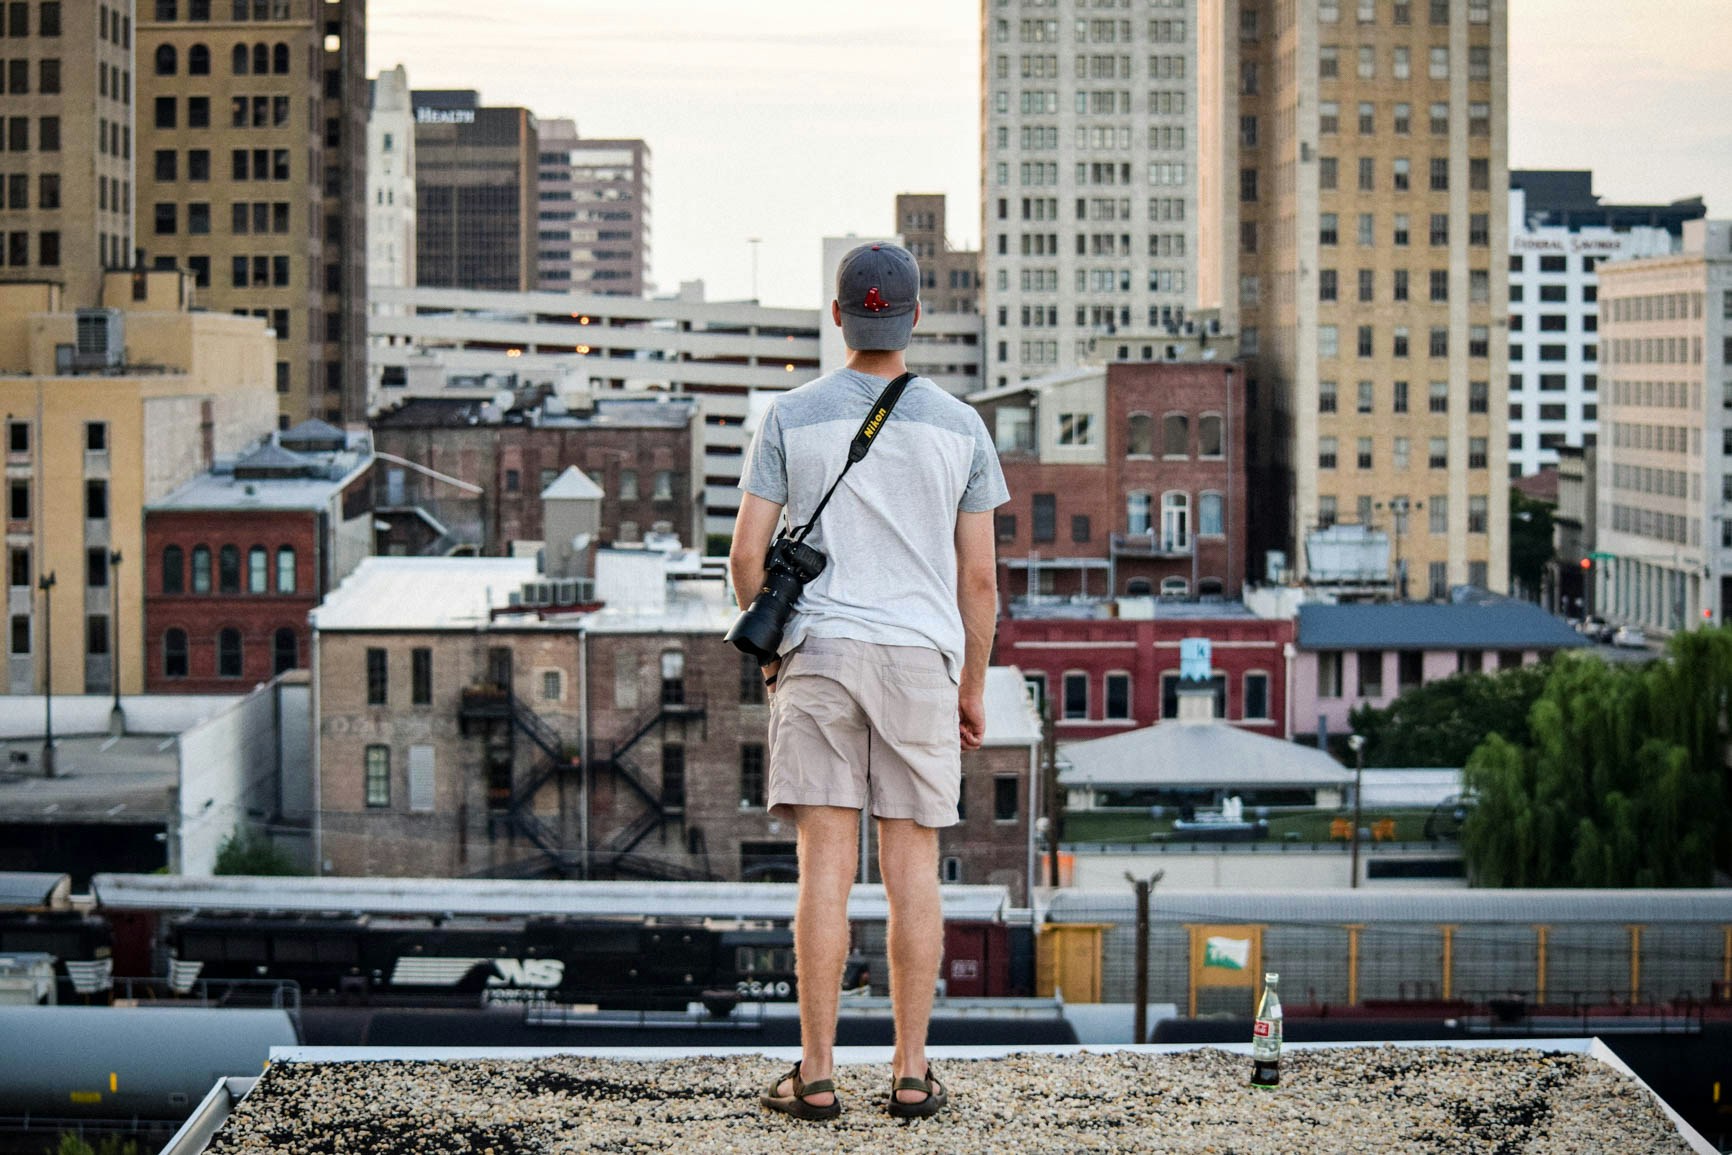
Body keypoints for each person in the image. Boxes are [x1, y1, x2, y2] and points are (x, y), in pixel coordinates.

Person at [730, 241, 1006, 1121]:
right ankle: (912, 1073)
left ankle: (814, 1078)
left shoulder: (789, 415)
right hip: (922, 662)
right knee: (912, 869)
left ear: (840, 315)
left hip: (818, 657)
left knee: (824, 872)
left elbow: (745, 557)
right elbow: (980, 584)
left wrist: (779, 655)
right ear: (915, 316)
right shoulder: (962, 425)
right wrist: (972, 684)